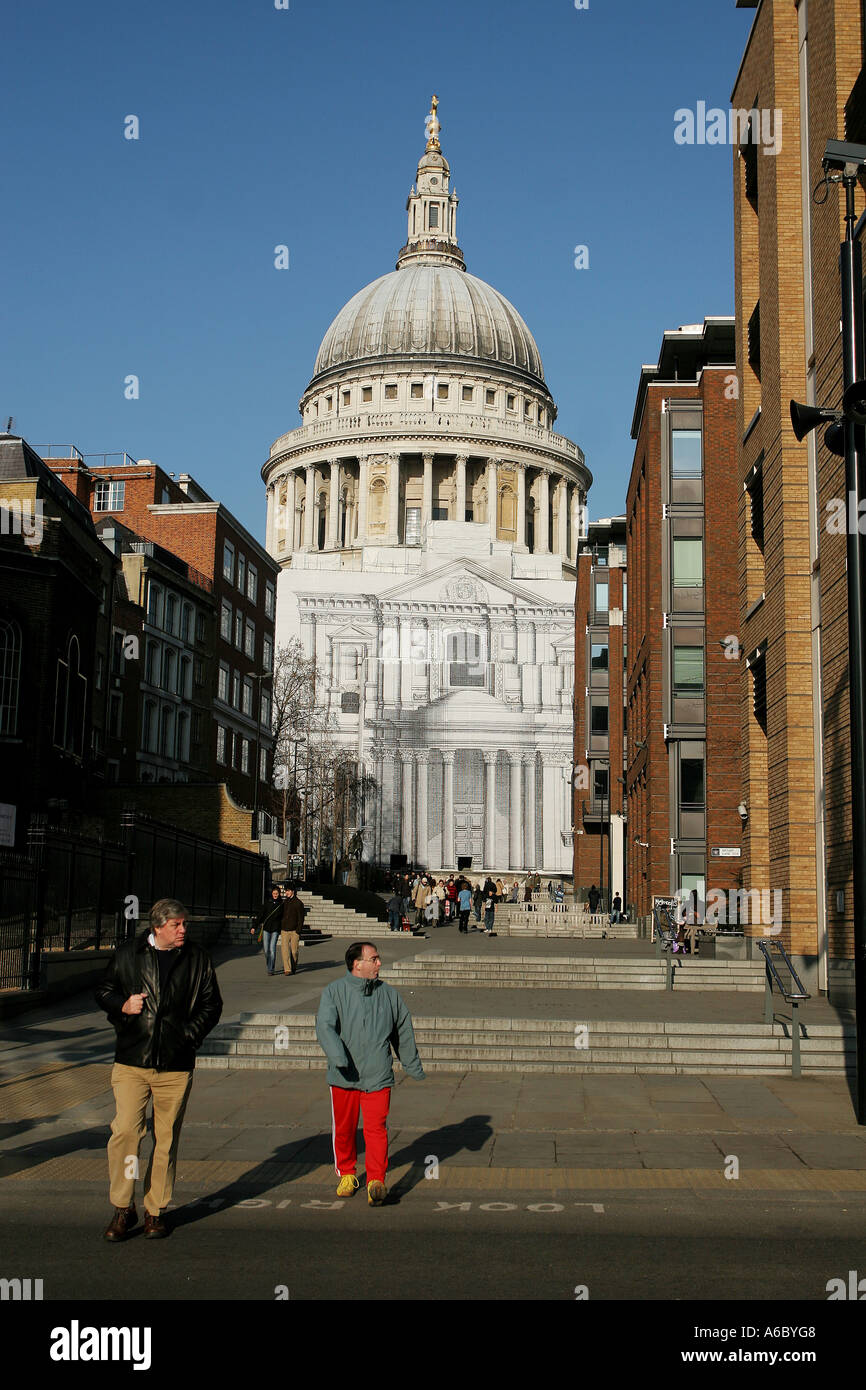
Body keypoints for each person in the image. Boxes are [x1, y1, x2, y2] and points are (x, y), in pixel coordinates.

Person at [95, 898, 222, 1240]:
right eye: (177, 925)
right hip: (132, 1060)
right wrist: (122, 1005)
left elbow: (212, 1004)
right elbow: (104, 990)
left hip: (175, 1065)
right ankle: (124, 1206)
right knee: (125, 1134)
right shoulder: (128, 954)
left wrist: (188, 1035)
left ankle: (156, 1209)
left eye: (184, 924)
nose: (183, 930)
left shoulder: (196, 958)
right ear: (158, 927)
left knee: (165, 1139)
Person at [316, 942, 426, 1206]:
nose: (379, 963)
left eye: (378, 959)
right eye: (374, 959)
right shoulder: (334, 992)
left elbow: (403, 1030)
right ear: (357, 964)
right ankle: (347, 1173)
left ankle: (376, 1179)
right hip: (344, 1076)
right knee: (344, 1130)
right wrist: (339, 1058)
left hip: (378, 1074)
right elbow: (325, 1026)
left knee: (376, 1130)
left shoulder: (388, 994)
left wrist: (411, 1064)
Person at [251, 886, 284, 975]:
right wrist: (254, 926)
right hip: (266, 928)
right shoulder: (267, 903)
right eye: (274, 893)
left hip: (275, 929)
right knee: (266, 950)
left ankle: (271, 969)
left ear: (279, 894)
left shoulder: (281, 904)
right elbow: (260, 915)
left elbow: (283, 918)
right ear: (271, 894)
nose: (275, 895)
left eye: (277, 893)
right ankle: (269, 964)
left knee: (272, 949)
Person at [280, 885, 306, 975]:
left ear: (292, 891)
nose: (286, 892)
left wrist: (298, 930)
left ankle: (293, 966)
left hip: (295, 930)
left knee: (294, 951)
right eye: (286, 891)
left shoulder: (298, 903)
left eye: (288, 891)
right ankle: (287, 969)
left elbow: (301, 918)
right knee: (284, 950)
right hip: (284, 930)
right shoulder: (285, 902)